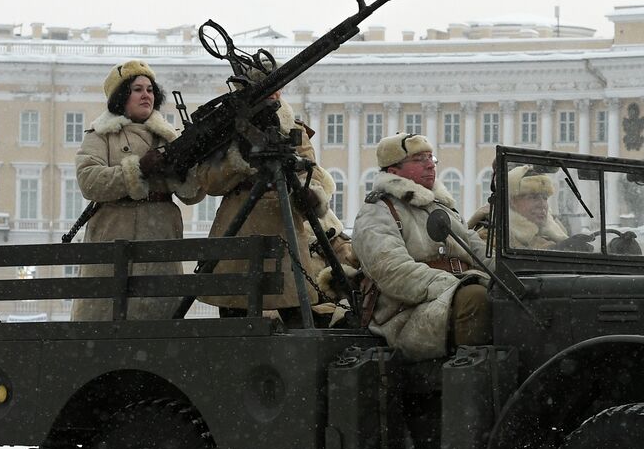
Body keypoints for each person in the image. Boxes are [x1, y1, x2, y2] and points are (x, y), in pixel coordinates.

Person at [194, 73, 356, 326]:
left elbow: (310, 173)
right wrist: (239, 160)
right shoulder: (226, 129)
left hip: (284, 222)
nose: (274, 93)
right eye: (265, 87)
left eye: (277, 86)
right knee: (236, 321)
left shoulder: (293, 129)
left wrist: (310, 195)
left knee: (296, 315)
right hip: (239, 224)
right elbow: (209, 181)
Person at [71, 61, 203, 321]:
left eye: (150, 90)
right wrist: (138, 169)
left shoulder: (169, 137)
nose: (146, 95)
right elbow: (89, 180)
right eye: (137, 89)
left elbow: (193, 193)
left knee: (161, 315)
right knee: (105, 314)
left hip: (160, 236)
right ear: (121, 96)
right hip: (113, 234)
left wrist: (182, 170)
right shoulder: (101, 135)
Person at [352, 133, 491, 360]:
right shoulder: (378, 211)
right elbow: (393, 271)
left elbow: (478, 250)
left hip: (446, 299)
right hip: (406, 314)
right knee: (476, 299)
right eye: (419, 160)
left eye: (430, 158)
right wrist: (454, 286)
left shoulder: (443, 209)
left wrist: (515, 275)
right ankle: (473, 371)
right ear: (394, 171)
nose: (430, 165)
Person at [468, 165, 572, 250]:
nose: (542, 204)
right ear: (512, 201)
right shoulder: (491, 236)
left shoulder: (555, 233)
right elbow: (500, 264)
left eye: (545, 198)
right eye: (533, 197)